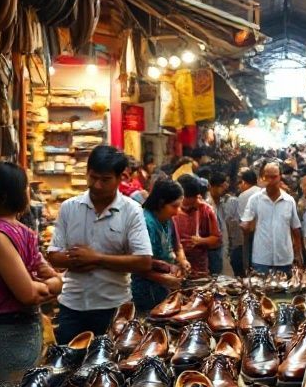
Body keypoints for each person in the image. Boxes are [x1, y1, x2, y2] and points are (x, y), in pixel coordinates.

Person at [48, 145, 153, 343]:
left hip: (113, 308)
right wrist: (78, 260)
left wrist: (97, 258)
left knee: (111, 367)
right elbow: (53, 255)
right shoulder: (69, 208)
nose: (97, 185)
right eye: (93, 177)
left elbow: (144, 261)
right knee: (68, 365)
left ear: (121, 177)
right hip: (72, 307)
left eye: (105, 180)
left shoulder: (132, 211)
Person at [0, 163, 62, 383]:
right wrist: (48, 286)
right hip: (26, 326)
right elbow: (52, 280)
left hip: (5, 332)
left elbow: (27, 293)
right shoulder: (24, 232)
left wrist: (40, 287)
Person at [132, 180, 191, 312]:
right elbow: (137, 264)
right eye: (174, 206)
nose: (177, 212)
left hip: (165, 284)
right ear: (161, 203)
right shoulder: (145, 222)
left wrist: (182, 260)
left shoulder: (168, 219)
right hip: (146, 288)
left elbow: (177, 245)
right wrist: (163, 278)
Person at [241, 162, 303, 275]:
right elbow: (246, 223)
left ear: (280, 177)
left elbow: (295, 229)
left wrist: (298, 254)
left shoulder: (289, 201)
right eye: (267, 177)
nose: (270, 180)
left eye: (274, 177)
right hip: (261, 259)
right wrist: (246, 226)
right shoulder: (254, 200)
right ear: (262, 177)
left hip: (285, 259)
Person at [173, 174, 221, 279]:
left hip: (199, 268)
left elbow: (217, 239)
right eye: (185, 204)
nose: (188, 208)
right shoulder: (171, 209)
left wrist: (201, 241)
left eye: (192, 204)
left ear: (197, 196)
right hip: (175, 267)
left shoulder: (206, 210)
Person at [231, 168, 262, 276]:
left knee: (250, 262)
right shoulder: (262, 191)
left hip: (251, 234)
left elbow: (245, 221)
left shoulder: (244, 196)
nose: (239, 186)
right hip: (265, 233)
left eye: (239, 183)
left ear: (243, 182)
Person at [206, 171, 230, 276]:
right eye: (220, 187)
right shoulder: (206, 204)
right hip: (210, 249)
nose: (223, 190)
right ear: (212, 186)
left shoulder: (221, 202)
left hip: (220, 247)